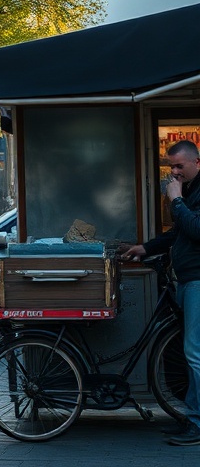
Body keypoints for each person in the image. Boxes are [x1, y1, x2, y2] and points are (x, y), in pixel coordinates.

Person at [123, 139, 200, 446]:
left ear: (197, 162)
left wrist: (176, 200)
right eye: (171, 167)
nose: (174, 172)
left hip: (197, 281)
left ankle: (196, 424)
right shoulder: (190, 190)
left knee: (195, 354)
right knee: (191, 352)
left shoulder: (186, 194)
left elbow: (196, 229)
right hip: (186, 280)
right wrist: (145, 248)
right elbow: (178, 233)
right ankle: (192, 418)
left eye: (180, 166)